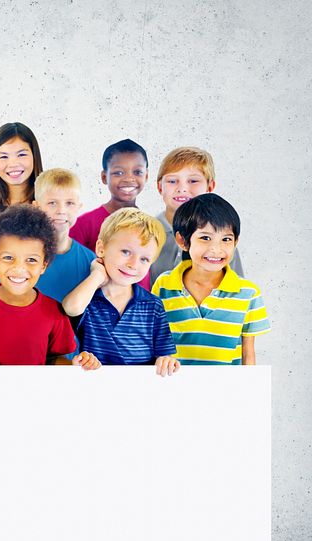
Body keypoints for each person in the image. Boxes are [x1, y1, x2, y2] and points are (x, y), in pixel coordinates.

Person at [0, 205, 100, 376]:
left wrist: (76, 364)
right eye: (8, 258)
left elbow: (55, 359)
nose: (19, 269)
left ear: (44, 265)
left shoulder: (54, 311)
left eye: (31, 260)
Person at [152, 194, 269, 364]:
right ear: (182, 241)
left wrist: (248, 389)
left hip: (226, 389)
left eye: (226, 239)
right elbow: (156, 341)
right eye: (205, 238)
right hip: (175, 388)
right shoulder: (163, 286)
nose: (216, 249)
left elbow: (248, 352)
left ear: (235, 241)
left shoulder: (249, 294)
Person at [61, 208, 179, 375]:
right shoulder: (87, 298)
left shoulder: (153, 305)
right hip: (96, 384)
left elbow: (164, 355)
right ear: (101, 248)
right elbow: (71, 308)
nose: (133, 264)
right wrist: (97, 274)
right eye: (126, 252)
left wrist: (165, 360)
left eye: (144, 259)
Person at [150, 146, 243, 283]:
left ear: (209, 187)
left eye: (193, 181)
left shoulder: (222, 241)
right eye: (172, 181)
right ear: (159, 187)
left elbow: (237, 289)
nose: (182, 189)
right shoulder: (145, 232)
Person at [70, 139, 149, 257]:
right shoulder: (84, 224)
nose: (129, 179)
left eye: (137, 172)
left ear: (146, 176)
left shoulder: (150, 226)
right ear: (104, 177)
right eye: (119, 173)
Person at [30, 168, 95, 304]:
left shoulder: (90, 261)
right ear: (36, 207)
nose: (61, 211)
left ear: (79, 207)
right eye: (52, 203)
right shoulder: (21, 255)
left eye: (69, 203)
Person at [0, 122, 43, 216]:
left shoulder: (51, 204)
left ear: (34, 156)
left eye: (21, 155)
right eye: (4, 157)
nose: (13, 164)